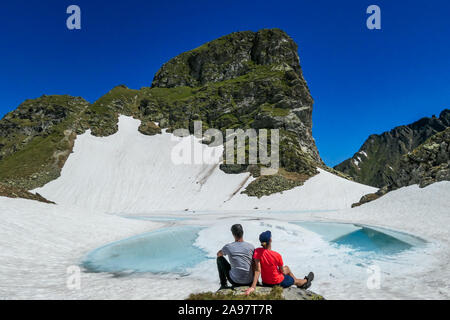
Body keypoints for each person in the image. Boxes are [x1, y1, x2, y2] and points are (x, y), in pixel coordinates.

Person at [245, 230, 314, 295]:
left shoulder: (257, 251)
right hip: (277, 282)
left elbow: (257, 269)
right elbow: (282, 271)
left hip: (265, 282)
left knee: (287, 268)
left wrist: (253, 287)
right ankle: (305, 281)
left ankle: (297, 280)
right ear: (270, 240)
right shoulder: (277, 255)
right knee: (292, 278)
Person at [216, 224, 255, 289]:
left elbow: (218, 254)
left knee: (219, 259)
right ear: (242, 233)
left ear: (233, 234)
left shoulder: (228, 247)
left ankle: (223, 284)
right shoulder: (251, 247)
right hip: (249, 281)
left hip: (235, 281)